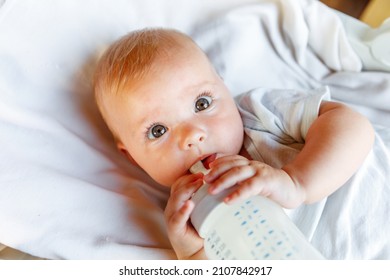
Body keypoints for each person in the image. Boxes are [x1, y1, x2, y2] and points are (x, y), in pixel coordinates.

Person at [93, 28, 375, 260]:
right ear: (132, 158)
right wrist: (193, 255)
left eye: (202, 103)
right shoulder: (186, 216)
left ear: (225, 88)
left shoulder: (260, 113)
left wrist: (296, 182)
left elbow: (353, 125)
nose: (192, 135)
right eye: (157, 130)